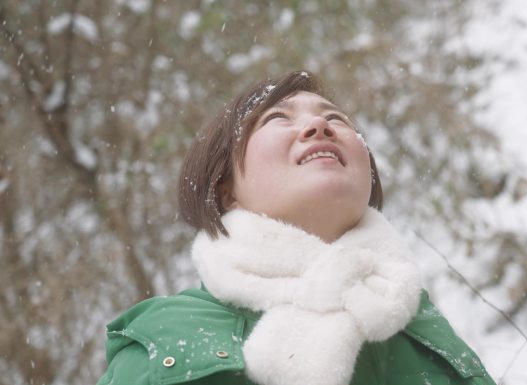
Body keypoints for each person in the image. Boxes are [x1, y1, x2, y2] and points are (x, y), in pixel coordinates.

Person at [97, 70, 496, 385]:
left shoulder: (422, 328)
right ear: (226, 191)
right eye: (277, 118)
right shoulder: (164, 341)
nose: (319, 127)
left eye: (335, 119)